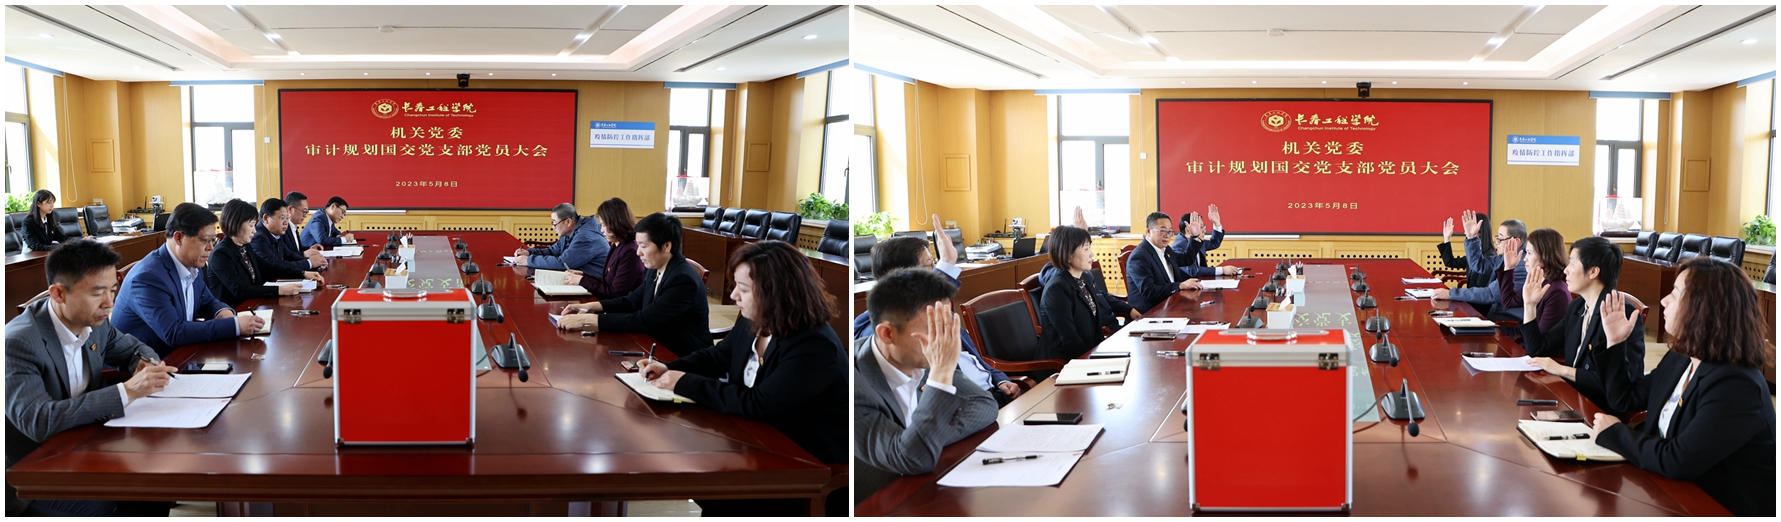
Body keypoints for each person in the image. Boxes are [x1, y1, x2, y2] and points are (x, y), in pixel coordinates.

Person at [637, 240, 846, 516]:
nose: (733, 295)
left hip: (802, 461)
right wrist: (667, 367)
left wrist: (682, 381)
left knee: (710, 483)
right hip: (754, 439)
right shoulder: (755, 319)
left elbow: (758, 403)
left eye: (743, 289)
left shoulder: (813, 344)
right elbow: (718, 357)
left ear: (776, 293)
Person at [1587, 258, 1775, 517]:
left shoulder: (1736, 385)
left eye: (1675, 293)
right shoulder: (1682, 356)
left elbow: (1678, 460)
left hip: (1718, 507)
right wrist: (1616, 343)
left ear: (1706, 307)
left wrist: (1615, 433)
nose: (1664, 301)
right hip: (1667, 490)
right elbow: (1626, 399)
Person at [5, 239, 176, 516]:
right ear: (58, 294)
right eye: (98, 293)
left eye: (113, 290)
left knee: (155, 479)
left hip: (83, 445)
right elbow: (38, 421)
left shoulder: (95, 324)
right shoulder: (18, 343)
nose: (109, 303)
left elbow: (134, 349)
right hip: (30, 471)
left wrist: (146, 363)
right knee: (106, 503)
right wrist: (126, 391)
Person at [854, 268, 998, 502]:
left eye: (946, 326)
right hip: (878, 503)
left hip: (924, 487)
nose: (944, 341)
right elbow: (912, 458)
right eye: (933, 330)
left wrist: (927, 439)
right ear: (887, 334)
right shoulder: (852, 384)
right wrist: (941, 373)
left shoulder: (921, 355)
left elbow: (984, 404)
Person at [850, 235, 1022, 406]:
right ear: (906, 276)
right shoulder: (894, 334)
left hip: (992, 394)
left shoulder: (937, 312)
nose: (936, 273)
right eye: (930, 265)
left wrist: (1000, 380)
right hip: (972, 405)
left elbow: (976, 359)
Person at [112, 203, 264, 358]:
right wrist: (234, 325)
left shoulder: (191, 265)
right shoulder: (148, 278)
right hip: (146, 365)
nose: (211, 248)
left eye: (213, 240)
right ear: (179, 238)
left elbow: (208, 301)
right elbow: (173, 332)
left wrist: (223, 312)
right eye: (205, 240)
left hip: (182, 354)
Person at [555, 213, 711, 356]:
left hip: (681, 355)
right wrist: (589, 307)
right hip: (653, 342)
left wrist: (587, 320)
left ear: (666, 246)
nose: (638, 252)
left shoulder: (682, 280)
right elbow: (631, 301)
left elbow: (644, 321)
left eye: (643, 246)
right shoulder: (656, 267)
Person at [1523, 236, 1645, 417]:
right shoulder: (1578, 306)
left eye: (1572, 263)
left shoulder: (1620, 313)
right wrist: (1530, 305)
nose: (1566, 270)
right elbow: (1537, 348)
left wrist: (1562, 370)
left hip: (1600, 410)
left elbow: (1623, 382)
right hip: (1572, 398)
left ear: (1593, 271)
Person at [1039, 226, 1139, 360]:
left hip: (1091, 350)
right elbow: (1070, 339)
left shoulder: (1084, 277)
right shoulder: (1057, 289)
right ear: (1068, 255)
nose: (1091, 254)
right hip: (1066, 361)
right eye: (1086, 249)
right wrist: (1094, 360)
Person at [206, 199, 324, 308]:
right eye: (251, 225)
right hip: (233, 311)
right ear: (236, 223)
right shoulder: (221, 254)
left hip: (254, 304)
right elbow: (240, 290)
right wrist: (280, 290)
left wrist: (303, 274)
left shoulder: (244, 246)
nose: (254, 230)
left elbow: (270, 268)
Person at [1434, 216, 1526, 319]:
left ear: (1516, 241)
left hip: (1505, 321)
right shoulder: (1504, 257)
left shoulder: (1522, 265)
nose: (1497, 242)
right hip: (1493, 313)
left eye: (1500, 238)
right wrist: (1471, 237)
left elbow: (1491, 294)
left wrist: (1452, 293)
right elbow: (1479, 265)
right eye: (1497, 237)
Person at [562, 198, 644, 299]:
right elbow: (606, 282)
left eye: (604, 225)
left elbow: (615, 293)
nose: (601, 230)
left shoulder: (630, 251)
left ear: (616, 223)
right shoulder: (617, 245)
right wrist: (583, 275)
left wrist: (581, 280)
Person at [1125, 211, 1203, 313]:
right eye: (1162, 231)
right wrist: (1179, 285)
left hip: (1172, 303)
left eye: (1170, 231)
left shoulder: (1166, 249)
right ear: (1148, 231)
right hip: (1152, 312)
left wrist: (1195, 236)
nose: (1167, 235)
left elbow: (1186, 259)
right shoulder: (1139, 257)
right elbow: (1149, 291)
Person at [510, 202, 610, 277]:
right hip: (578, 278)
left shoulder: (585, 238)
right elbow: (553, 251)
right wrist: (529, 252)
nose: (553, 227)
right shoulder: (570, 232)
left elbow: (563, 263)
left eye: (554, 222)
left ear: (568, 222)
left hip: (595, 285)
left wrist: (529, 260)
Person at [1501, 228, 1570, 332]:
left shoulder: (1557, 292)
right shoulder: (1540, 281)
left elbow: (1541, 339)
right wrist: (1509, 267)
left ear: (1544, 255)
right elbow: (1509, 301)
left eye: (1529, 253)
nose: (1525, 258)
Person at [249, 198, 327, 274]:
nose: (286, 223)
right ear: (266, 218)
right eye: (282, 218)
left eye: (287, 218)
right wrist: (309, 263)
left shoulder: (276, 234)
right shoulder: (257, 238)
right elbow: (275, 265)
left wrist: (315, 262)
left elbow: (290, 255)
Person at [1169, 206, 1239, 279]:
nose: (1204, 230)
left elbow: (1214, 243)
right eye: (1201, 227)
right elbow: (1192, 271)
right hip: (1187, 283)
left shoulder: (1196, 240)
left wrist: (1217, 224)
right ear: (1188, 230)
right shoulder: (1178, 246)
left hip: (1200, 280)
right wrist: (1222, 270)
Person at [1436, 212, 1494, 289]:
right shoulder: (1474, 254)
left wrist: (1455, 293)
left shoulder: (1489, 258)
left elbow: (1480, 291)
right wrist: (1447, 238)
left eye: (1469, 229)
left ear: (1479, 231)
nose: (1465, 232)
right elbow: (1450, 262)